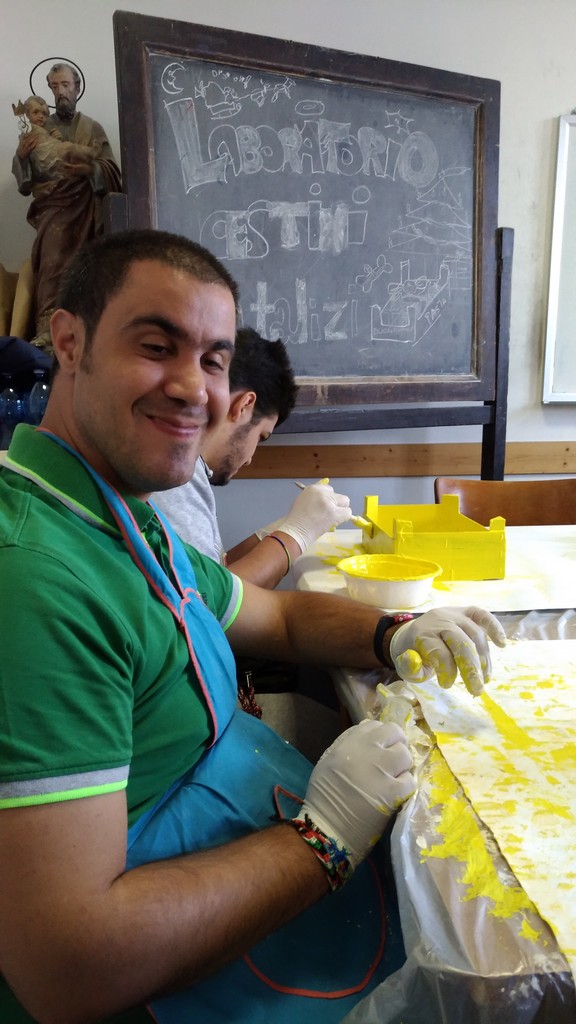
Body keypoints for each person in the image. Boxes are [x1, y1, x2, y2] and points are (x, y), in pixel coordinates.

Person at [0, 228, 507, 1024]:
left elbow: (279, 617)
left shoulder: (123, 518)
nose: (192, 388)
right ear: (70, 341)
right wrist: (323, 837)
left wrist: (395, 633)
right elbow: (70, 967)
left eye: (212, 360)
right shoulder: (37, 579)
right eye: (156, 346)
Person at [153, 324, 353, 588]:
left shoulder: (190, 469)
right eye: (261, 436)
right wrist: (297, 533)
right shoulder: (175, 478)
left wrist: (275, 533)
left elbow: (217, 575)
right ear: (244, 405)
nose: (249, 459)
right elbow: (212, 604)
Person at [11, 63, 121, 349]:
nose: (60, 91)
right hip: (53, 209)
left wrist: (89, 170)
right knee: (51, 264)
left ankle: (88, 328)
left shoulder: (92, 128)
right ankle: (48, 330)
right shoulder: (39, 127)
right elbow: (25, 182)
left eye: (65, 85)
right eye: (55, 86)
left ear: (77, 87)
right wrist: (21, 157)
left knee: (89, 269)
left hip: (87, 212)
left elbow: (112, 171)